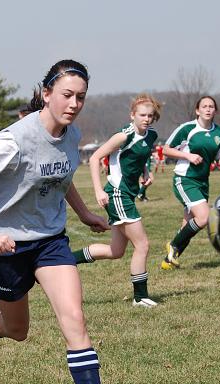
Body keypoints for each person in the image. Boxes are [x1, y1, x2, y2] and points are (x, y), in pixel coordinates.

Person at [0, 59, 129, 384]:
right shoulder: (15, 138)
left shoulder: (71, 134)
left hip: (50, 241)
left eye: (80, 97)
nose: (74, 103)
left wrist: (84, 214)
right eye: (66, 95)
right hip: (7, 248)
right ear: (46, 94)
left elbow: (62, 176)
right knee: (18, 330)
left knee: (74, 318)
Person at [71, 93, 161, 307]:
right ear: (132, 115)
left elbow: (143, 155)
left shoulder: (151, 135)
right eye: (142, 115)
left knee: (116, 251)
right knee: (143, 245)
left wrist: (145, 173)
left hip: (128, 194)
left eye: (150, 115)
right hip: (117, 194)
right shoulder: (123, 136)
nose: (146, 119)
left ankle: (67, 259)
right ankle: (140, 297)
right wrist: (98, 191)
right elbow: (94, 158)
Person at [160, 96, 220, 270]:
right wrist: (188, 155)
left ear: (215, 111)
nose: (208, 109)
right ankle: (173, 245)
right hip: (185, 179)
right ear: (197, 110)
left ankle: (168, 261)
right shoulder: (187, 129)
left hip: (202, 181)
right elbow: (166, 150)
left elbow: (219, 156)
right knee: (204, 217)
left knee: (188, 224)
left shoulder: (219, 132)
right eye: (204, 106)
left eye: (211, 106)